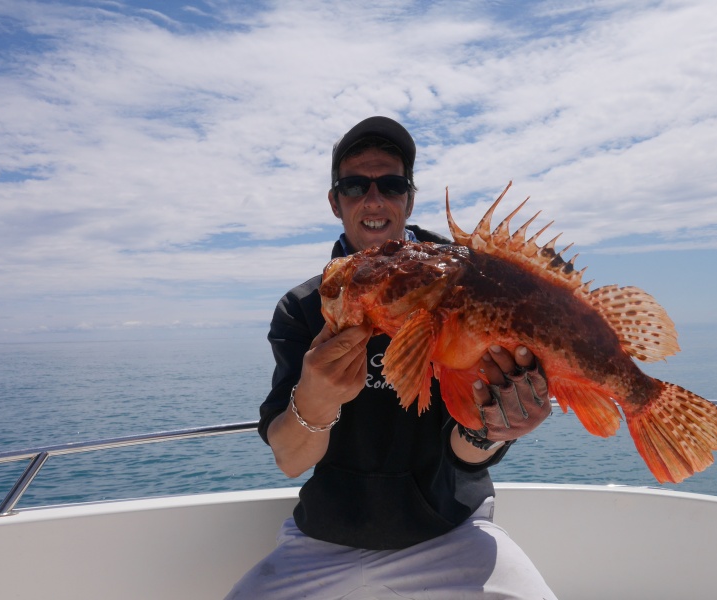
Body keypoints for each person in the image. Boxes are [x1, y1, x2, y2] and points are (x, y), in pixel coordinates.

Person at [225, 117, 558, 599]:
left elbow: (464, 458)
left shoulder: (461, 282)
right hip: (325, 537)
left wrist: (493, 425)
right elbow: (290, 460)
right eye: (355, 185)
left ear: (409, 197)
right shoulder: (306, 307)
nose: (374, 199)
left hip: (451, 530)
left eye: (392, 184)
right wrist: (315, 401)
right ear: (335, 201)